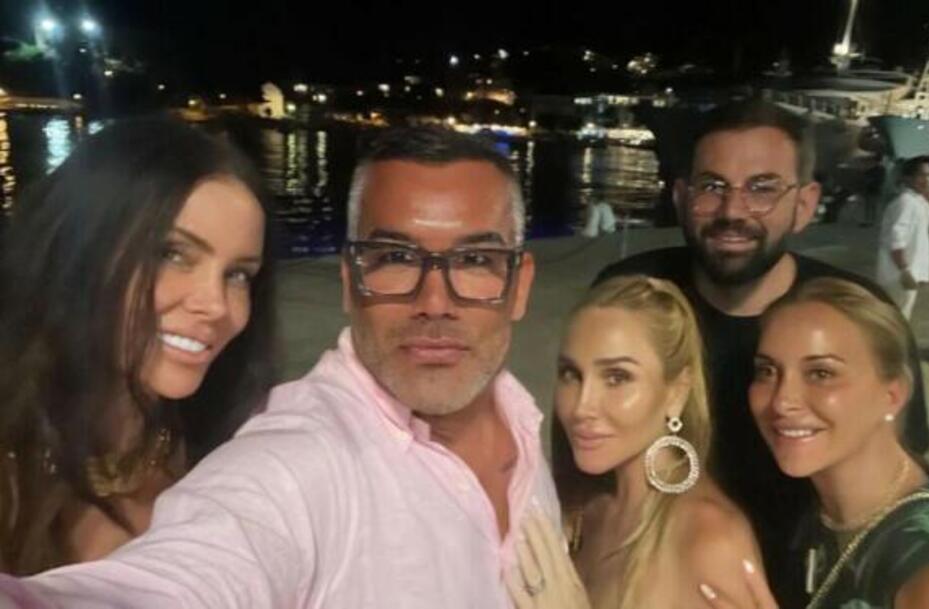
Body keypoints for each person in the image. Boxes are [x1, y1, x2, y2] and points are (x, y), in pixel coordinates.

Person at [0, 126, 560, 608]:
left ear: (521, 286)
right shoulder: (289, 465)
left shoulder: (529, 427)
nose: (215, 305)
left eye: (238, 274)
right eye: (395, 257)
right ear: (348, 281)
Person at [564, 99, 929, 608]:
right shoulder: (634, 294)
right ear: (681, 197)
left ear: (804, 204)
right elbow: (582, 451)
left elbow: (906, 489)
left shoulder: (849, 318)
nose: (733, 211)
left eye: (762, 188)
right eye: (712, 187)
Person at [0, 118, 278, 574]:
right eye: (172, 254)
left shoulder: (239, 452)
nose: (215, 305)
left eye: (237, 275)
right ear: (79, 252)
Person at [506, 276, 762, 609]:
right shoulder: (585, 511)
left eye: (617, 377)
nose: (582, 406)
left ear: (677, 391)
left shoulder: (712, 541)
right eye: (572, 374)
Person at [746, 277, 929, 608]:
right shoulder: (820, 513)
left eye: (821, 374)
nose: (782, 401)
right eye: (767, 371)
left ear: (893, 395)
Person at [875, 155, 929, 319]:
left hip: (908, 272)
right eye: (922, 175)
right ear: (907, 178)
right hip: (897, 275)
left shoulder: (918, 201)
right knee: (897, 319)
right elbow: (896, 238)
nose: (927, 180)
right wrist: (905, 271)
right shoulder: (906, 202)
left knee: (901, 317)